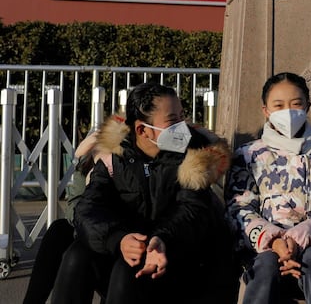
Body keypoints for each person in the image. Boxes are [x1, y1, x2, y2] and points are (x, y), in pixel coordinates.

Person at [51, 82, 236, 304]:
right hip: (131, 249)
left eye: (181, 116)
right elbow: (88, 209)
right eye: (172, 121)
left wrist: (161, 239)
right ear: (142, 130)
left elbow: (192, 210)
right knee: (77, 255)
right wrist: (118, 239)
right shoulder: (116, 157)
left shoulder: (195, 155)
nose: (182, 125)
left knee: (127, 267)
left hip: (180, 259)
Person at [226, 72, 311, 304]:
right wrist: (274, 241)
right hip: (264, 246)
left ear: (308, 106)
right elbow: (239, 207)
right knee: (264, 266)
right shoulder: (248, 154)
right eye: (279, 105)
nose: (288, 112)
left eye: (296, 104)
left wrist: (299, 238)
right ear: (266, 110)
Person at [22, 127, 111, 304]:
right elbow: (74, 214)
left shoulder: (129, 175)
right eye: (95, 150)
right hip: (93, 248)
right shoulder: (87, 171)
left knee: (82, 251)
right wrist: (87, 180)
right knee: (60, 229)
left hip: (118, 257)